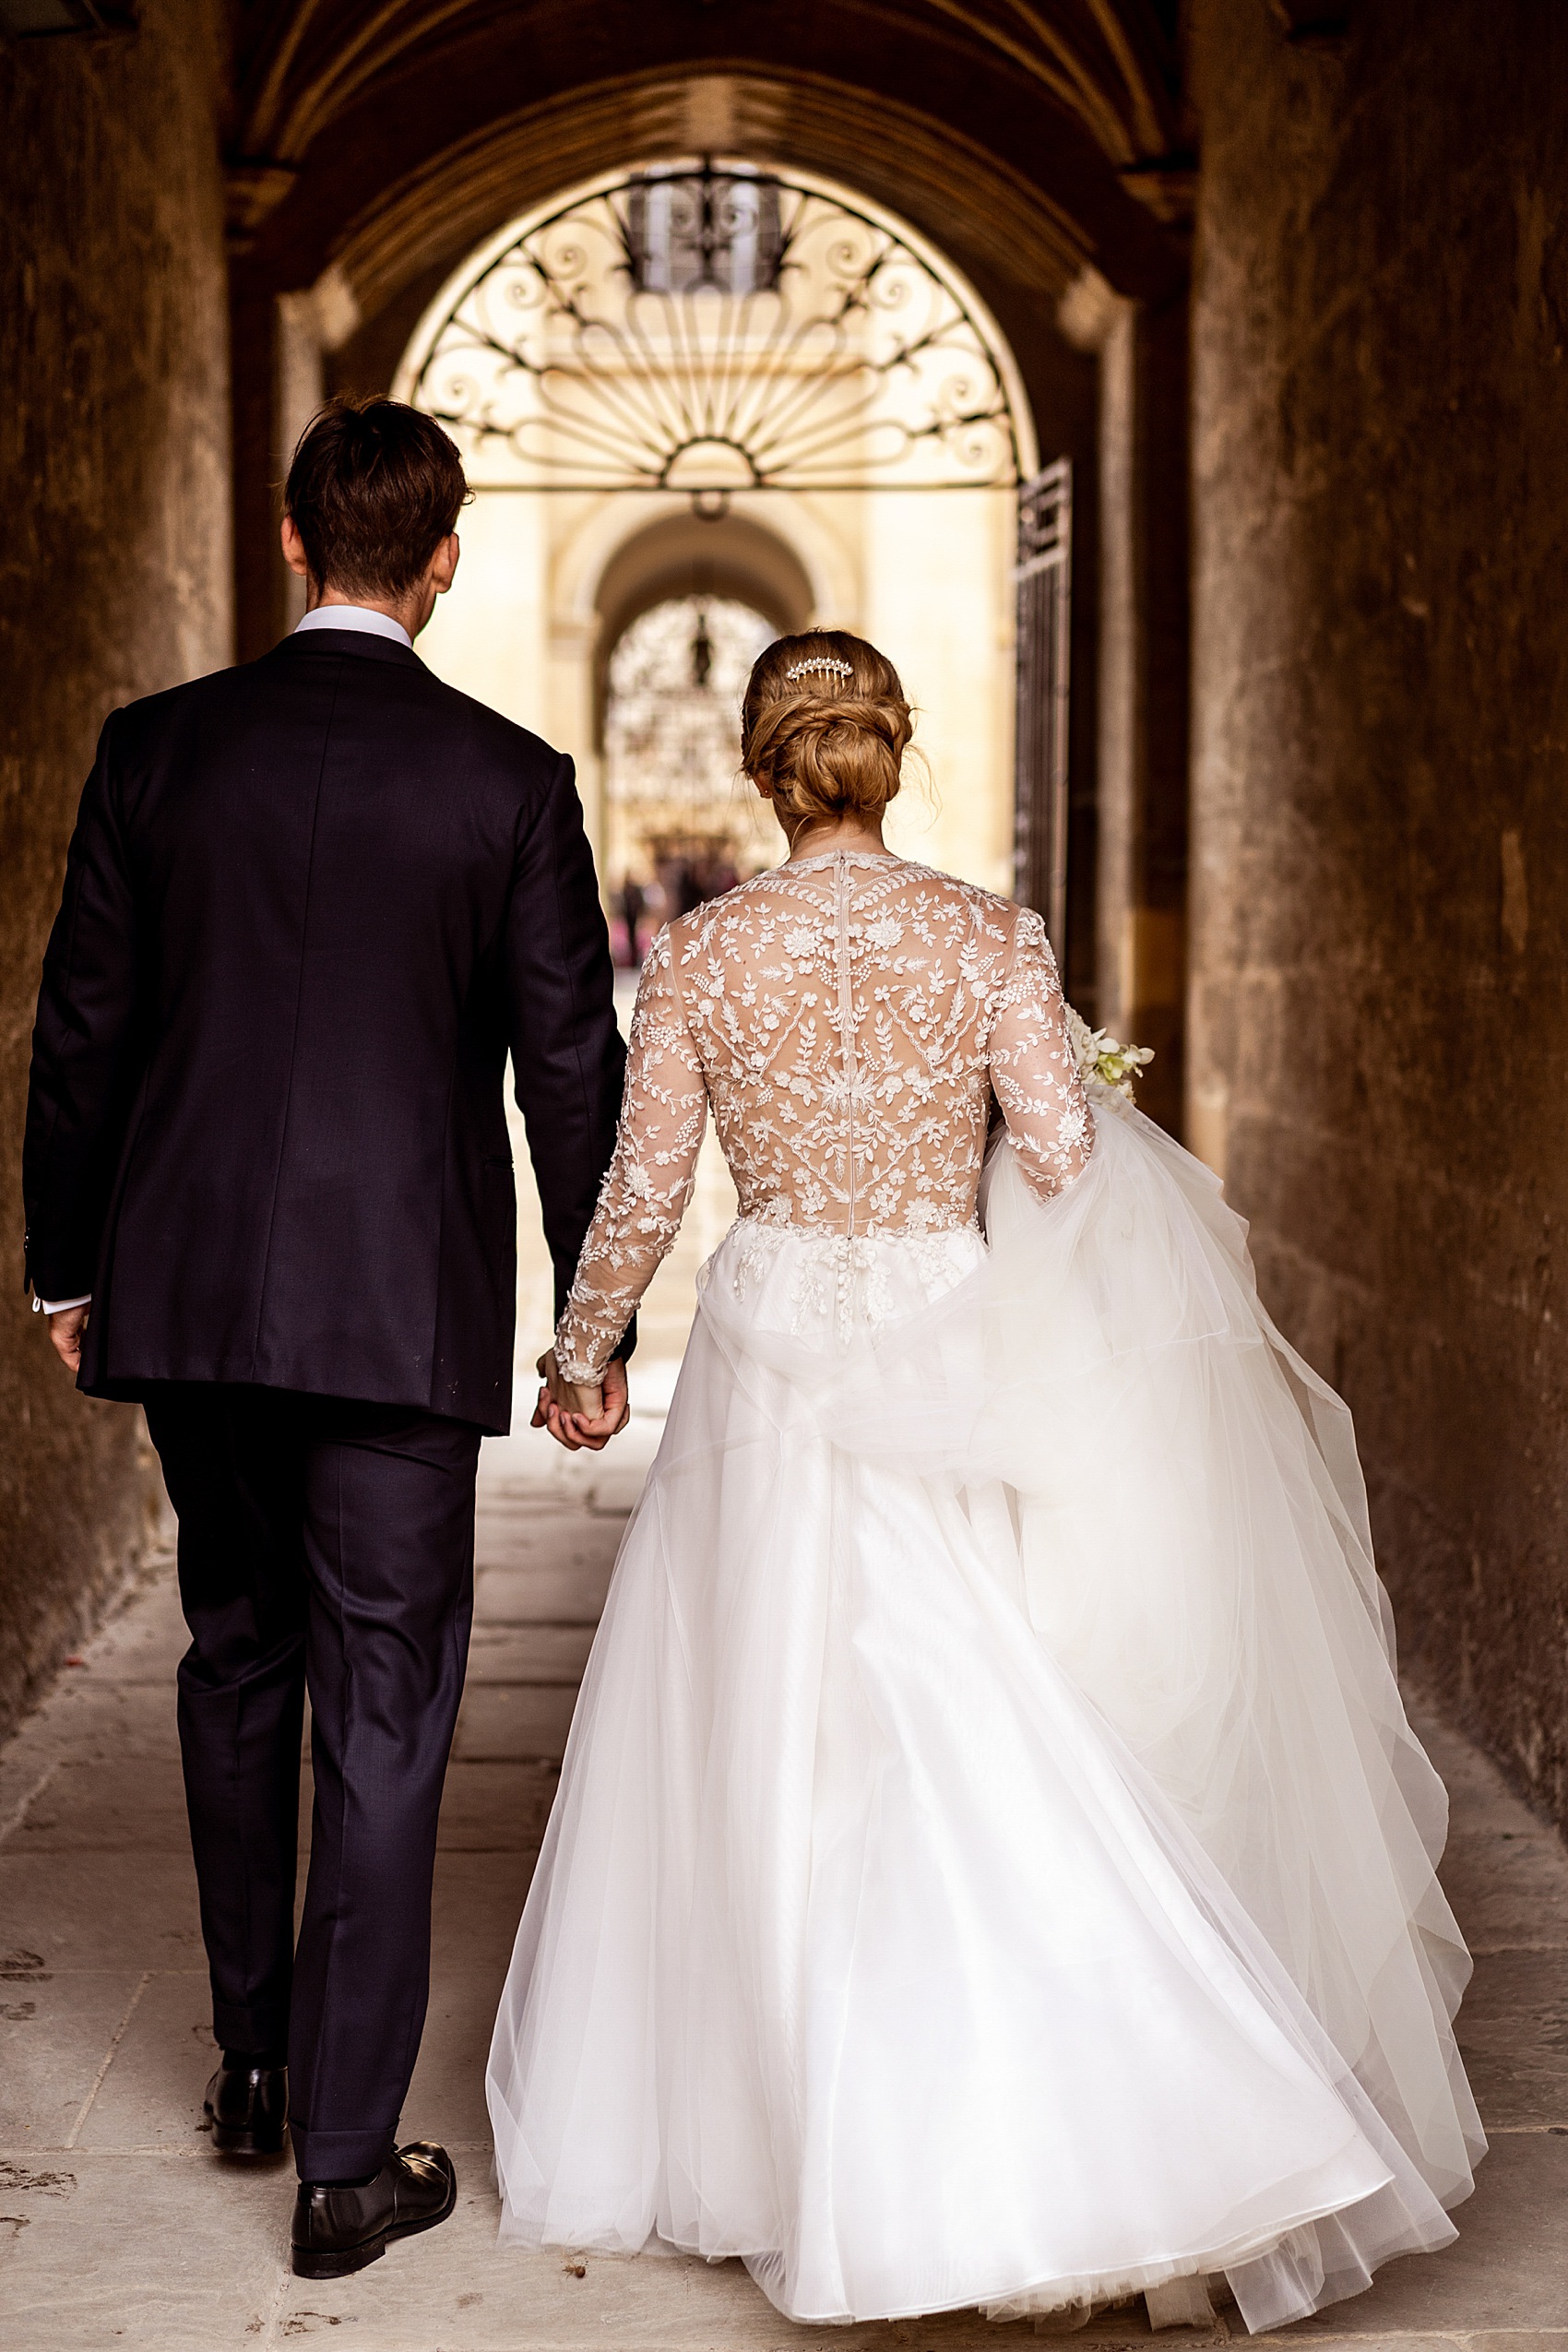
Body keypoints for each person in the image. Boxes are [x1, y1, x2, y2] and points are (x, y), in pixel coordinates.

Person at [490, 631, 1485, 2331]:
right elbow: (1069, 1168)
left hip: (775, 1331)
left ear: (759, 765)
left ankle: (799, 2134)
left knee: (766, 1727)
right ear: (894, 750)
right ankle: (1045, 2113)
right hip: (946, 1338)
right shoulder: (991, 936)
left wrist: (583, 1353)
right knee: (972, 1707)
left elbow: (646, 1187)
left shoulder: (711, 952)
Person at [21, 397, 629, 2281]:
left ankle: (250, 2063)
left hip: (186, 1295)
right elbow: (566, 1068)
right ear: (443, 557)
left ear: (292, 546)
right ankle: (346, 2166)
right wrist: (586, 1322)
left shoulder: (155, 752)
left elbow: (80, 1031)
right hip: (394, 1317)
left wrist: (64, 1269)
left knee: (236, 1655)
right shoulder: (507, 782)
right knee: (388, 1702)